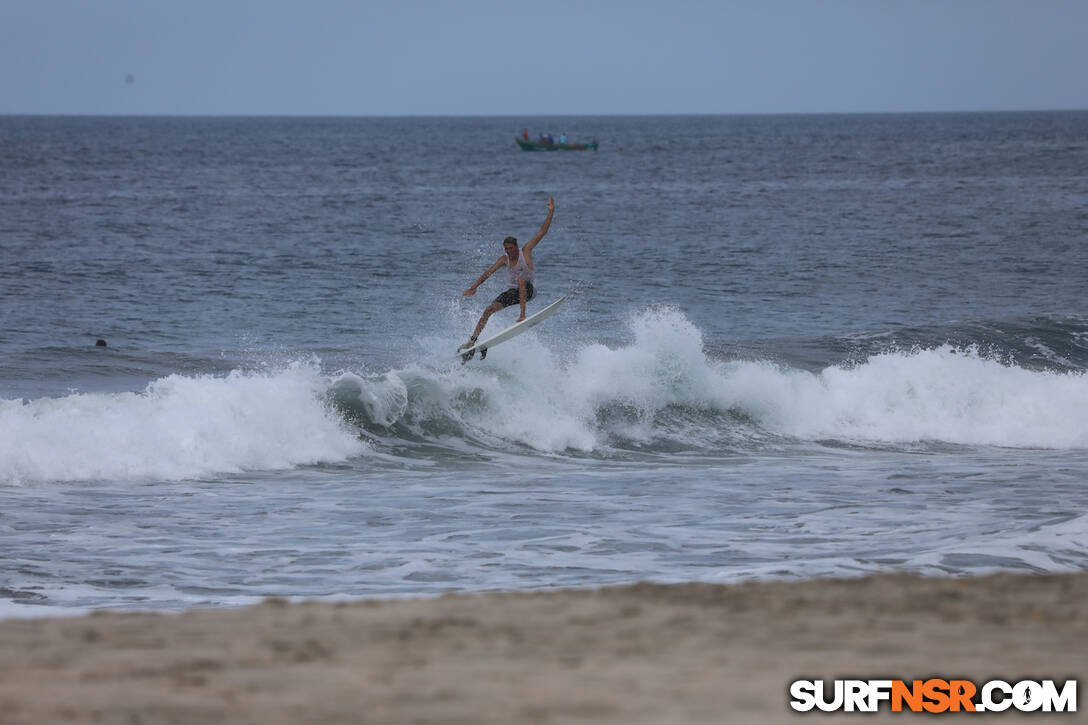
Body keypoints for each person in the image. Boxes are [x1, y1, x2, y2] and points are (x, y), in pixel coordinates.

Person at [459, 197, 555, 359]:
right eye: (506, 249)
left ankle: (522, 315)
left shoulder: (525, 251)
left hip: (529, 291)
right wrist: (474, 287)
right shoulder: (504, 259)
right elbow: (488, 273)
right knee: (489, 309)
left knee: (520, 280)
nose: (509, 251)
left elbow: (542, 232)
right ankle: (472, 341)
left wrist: (551, 212)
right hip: (512, 293)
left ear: (516, 246)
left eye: (511, 248)